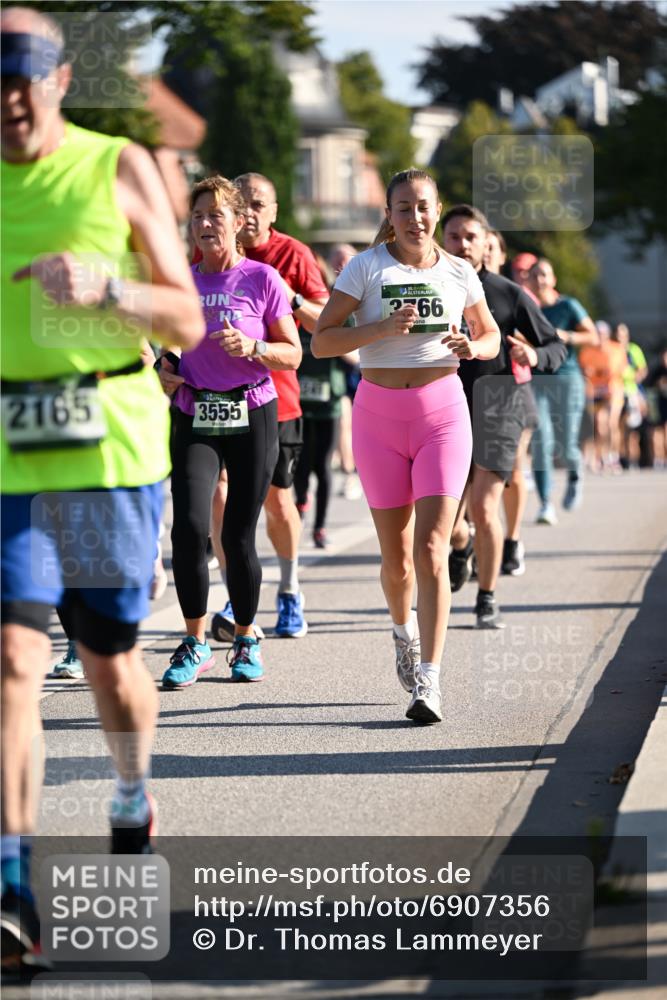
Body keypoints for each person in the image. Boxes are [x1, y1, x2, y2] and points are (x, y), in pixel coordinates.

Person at [0, 5, 204, 967]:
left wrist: (108, 289)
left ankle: (130, 790)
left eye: (22, 82)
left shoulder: (114, 165)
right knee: (12, 662)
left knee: (108, 661)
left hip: (108, 451)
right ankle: (10, 881)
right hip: (7, 453)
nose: (8, 105)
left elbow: (188, 321)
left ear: (58, 81)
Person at [313, 168, 500, 724]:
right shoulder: (365, 267)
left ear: (436, 210)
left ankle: (431, 680)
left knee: (433, 548)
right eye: (402, 208)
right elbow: (323, 340)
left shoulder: (461, 271)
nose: (414, 217)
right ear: (388, 215)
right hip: (378, 418)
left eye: (422, 207)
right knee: (396, 562)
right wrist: (382, 330)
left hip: (442, 413)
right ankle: (403, 634)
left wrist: (474, 345)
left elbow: (488, 335)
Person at [158, 175, 301, 687]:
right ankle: (195, 642)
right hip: (195, 413)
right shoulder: (181, 281)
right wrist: (164, 367)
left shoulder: (262, 278)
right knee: (191, 528)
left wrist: (254, 348)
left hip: (252, 412)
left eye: (214, 215)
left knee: (239, 534)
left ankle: (244, 635)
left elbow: (294, 352)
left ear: (239, 223)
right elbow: (169, 347)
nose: (203, 224)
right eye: (196, 216)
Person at [209, 172, 328, 643]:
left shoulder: (291, 254)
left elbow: (326, 320)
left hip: (275, 399)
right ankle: (232, 592)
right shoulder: (210, 251)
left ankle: (290, 588)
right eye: (243, 204)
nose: (251, 212)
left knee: (278, 502)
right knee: (219, 496)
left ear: (274, 211)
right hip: (214, 396)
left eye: (260, 203)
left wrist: (289, 295)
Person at [442, 205, 566, 628]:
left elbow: (555, 345)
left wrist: (534, 353)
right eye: (454, 236)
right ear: (444, 240)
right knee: (450, 518)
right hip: (444, 404)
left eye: (470, 237)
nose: (462, 244)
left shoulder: (507, 293)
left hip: (498, 403)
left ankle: (487, 597)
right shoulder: (431, 286)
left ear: (485, 243)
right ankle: (462, 546)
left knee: (483, 504)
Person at [528, 258, 598, 521]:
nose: (539, 280)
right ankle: (546, 502)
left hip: (568, 379)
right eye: (534, 276)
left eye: (544, 275)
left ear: (553, 279)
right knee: (540, 441)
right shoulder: (528, 308)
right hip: (537, 381)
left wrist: (567, 336)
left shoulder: (568, 305)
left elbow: (592, 335)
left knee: (566, 443)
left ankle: (574, 471)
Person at [482, 232, 533, 577]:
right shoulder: (455, 286)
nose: (482, 253)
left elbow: (545, 339)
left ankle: (511, 538)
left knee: (512, 470)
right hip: (470, 393)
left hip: (511, 393)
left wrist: (527, 348)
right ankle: (476, 538)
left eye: (490, 248)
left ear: (500, 255)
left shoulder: (512, 294)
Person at [328, 243, 362, 499]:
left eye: (347, 260)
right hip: (341, 369)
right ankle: (350, 475)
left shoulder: (368, 288)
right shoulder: (330, 294)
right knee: (344, 421)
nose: (342, 266)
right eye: (338, 261)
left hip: (367, 368)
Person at [579, 321, 627, 472]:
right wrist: (587, 373)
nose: (600, 337)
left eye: (603, 334)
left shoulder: (617, 349)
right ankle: (601, 456)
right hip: (596, 392)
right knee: (600, 424)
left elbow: (623, 371)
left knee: (612, 423)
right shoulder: (586, 351)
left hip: (614, 390)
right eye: (597, 334)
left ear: (607, 335)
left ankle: (613, 456)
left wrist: (609, 376)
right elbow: (582, 372)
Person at [612, 322, 648, 469]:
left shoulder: (634, 350)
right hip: (615, 392)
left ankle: (632, 459)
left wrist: (633, 378)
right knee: (616, 426)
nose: (620, 338)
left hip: (631, 392)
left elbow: (642, 370)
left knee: (631, 428)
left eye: (623, 335)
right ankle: (620, 458)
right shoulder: (612, 350)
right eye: (618, 335)